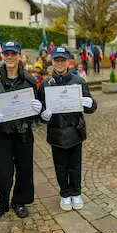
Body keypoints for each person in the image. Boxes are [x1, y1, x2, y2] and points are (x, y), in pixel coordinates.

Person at [0, 41, 42, 219]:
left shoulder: (30, 80)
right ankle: (2, 201)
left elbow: (38, 107)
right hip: (2, 135)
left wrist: (38, 109)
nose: (10, 57)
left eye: (14, 54)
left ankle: (19, 201)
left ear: (20, 56)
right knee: (3, 173)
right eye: (7, 54)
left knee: (25, 170)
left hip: (23, 134)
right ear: (2, 56)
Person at [37, 46, 97, 211]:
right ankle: (65, 193)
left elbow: (90, 106)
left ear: (68, 62)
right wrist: (43, 115)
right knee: (60, 165)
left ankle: (76, 192)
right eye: (57, 60)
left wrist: (91, 104)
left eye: (63, 60)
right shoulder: (45, 84)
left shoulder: (79, 82)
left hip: (75, 131)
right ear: (52, 62)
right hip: (56, 132)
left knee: (75, 164)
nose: (60, 63)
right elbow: (39, 109)